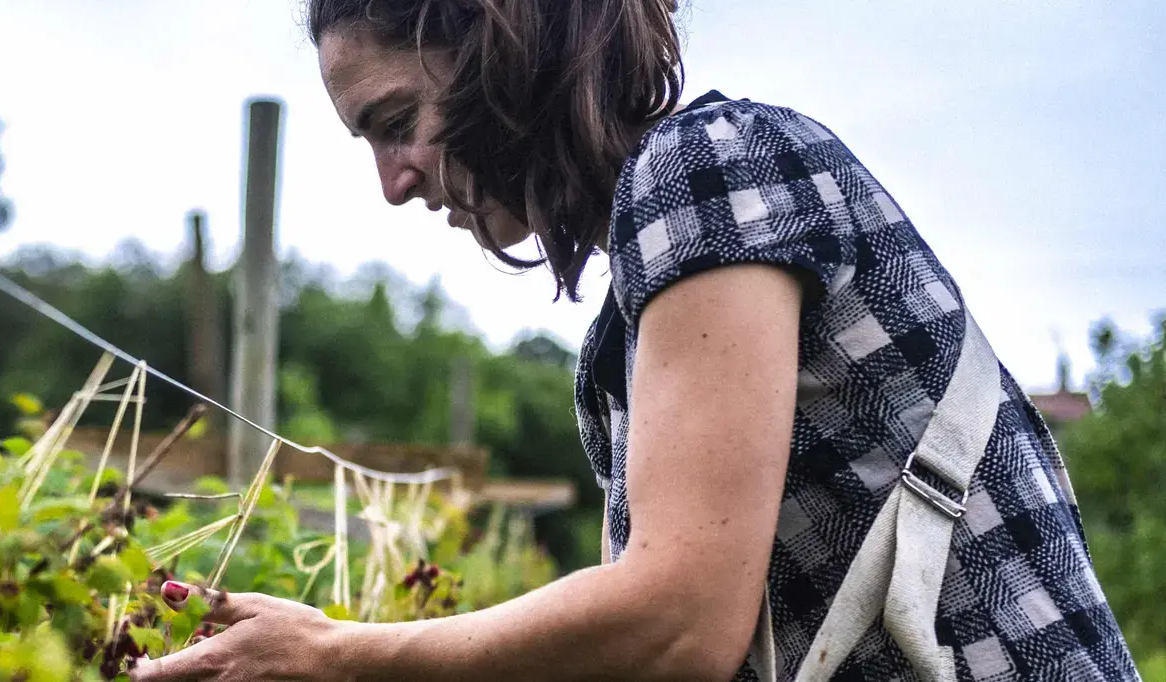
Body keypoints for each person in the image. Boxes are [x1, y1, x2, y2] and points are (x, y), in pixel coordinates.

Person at [129, 0, 1142, 680]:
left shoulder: (706, 169)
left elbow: (681, 617)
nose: (394, 180)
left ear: (495, 44)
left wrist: (342, 654)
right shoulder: (666, 254)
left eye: (396, 121)